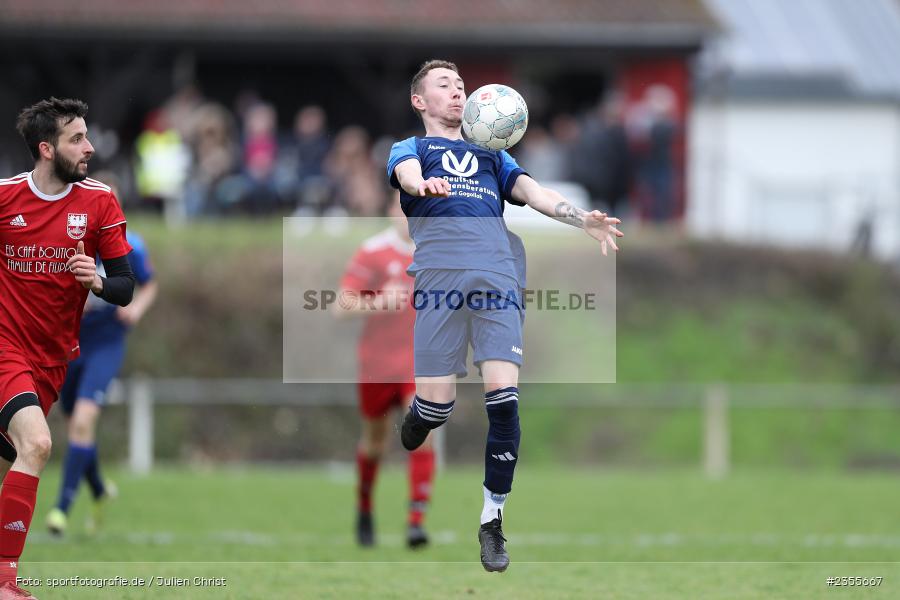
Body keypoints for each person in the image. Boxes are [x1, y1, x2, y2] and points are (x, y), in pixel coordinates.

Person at [386, 60, 622, 573]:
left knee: (505, 402)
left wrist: (582, 219)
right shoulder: (413, 151)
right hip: (438, 283)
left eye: (461, 86)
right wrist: (422, 185)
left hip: (497, 279)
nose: (457, 93)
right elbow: (403, 174)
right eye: (444, 86)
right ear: (419, 101)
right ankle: (422, 416)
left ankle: (492, 521)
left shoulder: (494, 156)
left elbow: (535, 193)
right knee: (436, 410)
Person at [0, 98, 134, 599]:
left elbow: (126, 286)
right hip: (5, 344)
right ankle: (5, 582)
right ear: (45, 148)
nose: (89, 147)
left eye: (87, 136)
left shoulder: (100, 202)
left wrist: (96, 281)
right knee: (37, 445)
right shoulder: (6, 197)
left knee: (19, 454)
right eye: (76, 138)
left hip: (53, 358)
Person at [46, 173, 157, 537]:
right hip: (70, 341)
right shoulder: (66, 239)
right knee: (74, 421)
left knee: (82, 420)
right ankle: (98, 490)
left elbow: (149, 284)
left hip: (108, 342)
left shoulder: (130, 245)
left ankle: (61, 510)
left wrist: (137, 308)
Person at [334, 192, 435, 549]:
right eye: (401, 209)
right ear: (391, 212)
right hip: (376, 364)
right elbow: (340, 305)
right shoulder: (373, 251)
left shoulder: (439, 251)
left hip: (419, 363)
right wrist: (379, 302)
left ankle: (415, 522)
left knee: (423, 429)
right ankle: (364, 507)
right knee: (375, 442)